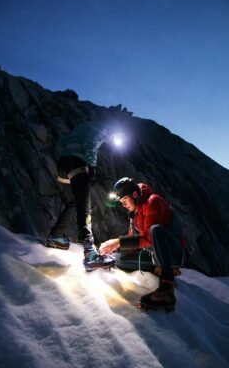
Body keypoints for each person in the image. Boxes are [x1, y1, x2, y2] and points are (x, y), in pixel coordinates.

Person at [99, 177, 186, 311]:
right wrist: (116, 248)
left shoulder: (153, 201)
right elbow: (132, 236)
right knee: (119, 259)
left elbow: (150, 239)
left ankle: (167, 290)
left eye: (125, 200)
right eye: (121, 202)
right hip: (154, 253)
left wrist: (119, 242)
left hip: (172, 252)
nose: (123, 205)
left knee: (155, 230)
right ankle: (156, 269)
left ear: (134, 195)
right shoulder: (135, 211)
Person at [46, 120, 118, 272]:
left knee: (76, 202)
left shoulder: (79, 129)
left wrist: (64, 160)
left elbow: (60, 143)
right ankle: (90, 254)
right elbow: (91, 141)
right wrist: (91, 165)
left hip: (64, 165)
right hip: (78, 163)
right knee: (85, 206)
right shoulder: (102, 127)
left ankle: (56, 236)